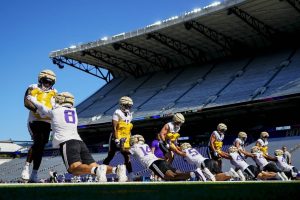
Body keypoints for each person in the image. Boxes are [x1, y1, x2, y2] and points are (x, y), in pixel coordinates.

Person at [26, 92, 127, 182]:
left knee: (73, 169)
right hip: (79, 141)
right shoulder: (73, 111)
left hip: (67, 142)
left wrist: (32, 99)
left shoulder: (55, 111)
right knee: (93, 165)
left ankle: (97, 170)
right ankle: (116, 169)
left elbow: (42, 108)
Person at [21, 69, 57, 182]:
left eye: (50, 82)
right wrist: (36, 110)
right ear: (40, 80)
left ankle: (34, 173)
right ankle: (26, 167)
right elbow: (26, 102)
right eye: (46, 81)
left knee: (41, 148)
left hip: (47, 122)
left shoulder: (55, 92)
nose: (48, 84)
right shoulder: (33, 87)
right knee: (38, 142)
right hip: (34, 120)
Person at [124, 134, 195, 181]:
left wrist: (121, 143)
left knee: (169, 177)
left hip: (154, 163)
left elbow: (123, 150)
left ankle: (190, 174)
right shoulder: (145, 145)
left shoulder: (134, 147)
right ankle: (190, 174)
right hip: (160, 161)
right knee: (174, 172)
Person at [102, 96, 134, 180]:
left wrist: (130, 138)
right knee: (110, 155)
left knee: (127, 156)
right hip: (116, 137)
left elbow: (128, 129)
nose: (128, 107)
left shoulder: (130, 114)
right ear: (122, 104)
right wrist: (116, 139)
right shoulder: (117, 112)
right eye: (127, 105)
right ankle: (101, 172)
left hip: (126, 138)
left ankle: (131, 175)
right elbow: (114, 128)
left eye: (129, 105)